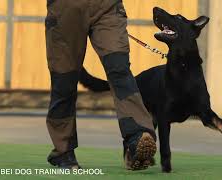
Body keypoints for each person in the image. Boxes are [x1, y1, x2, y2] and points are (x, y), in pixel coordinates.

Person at [44, 0, 157, 170]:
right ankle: (63, 151)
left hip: (108, 8)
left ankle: (136, 137)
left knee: (119, 69)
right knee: (64, 81)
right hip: (65, 9)